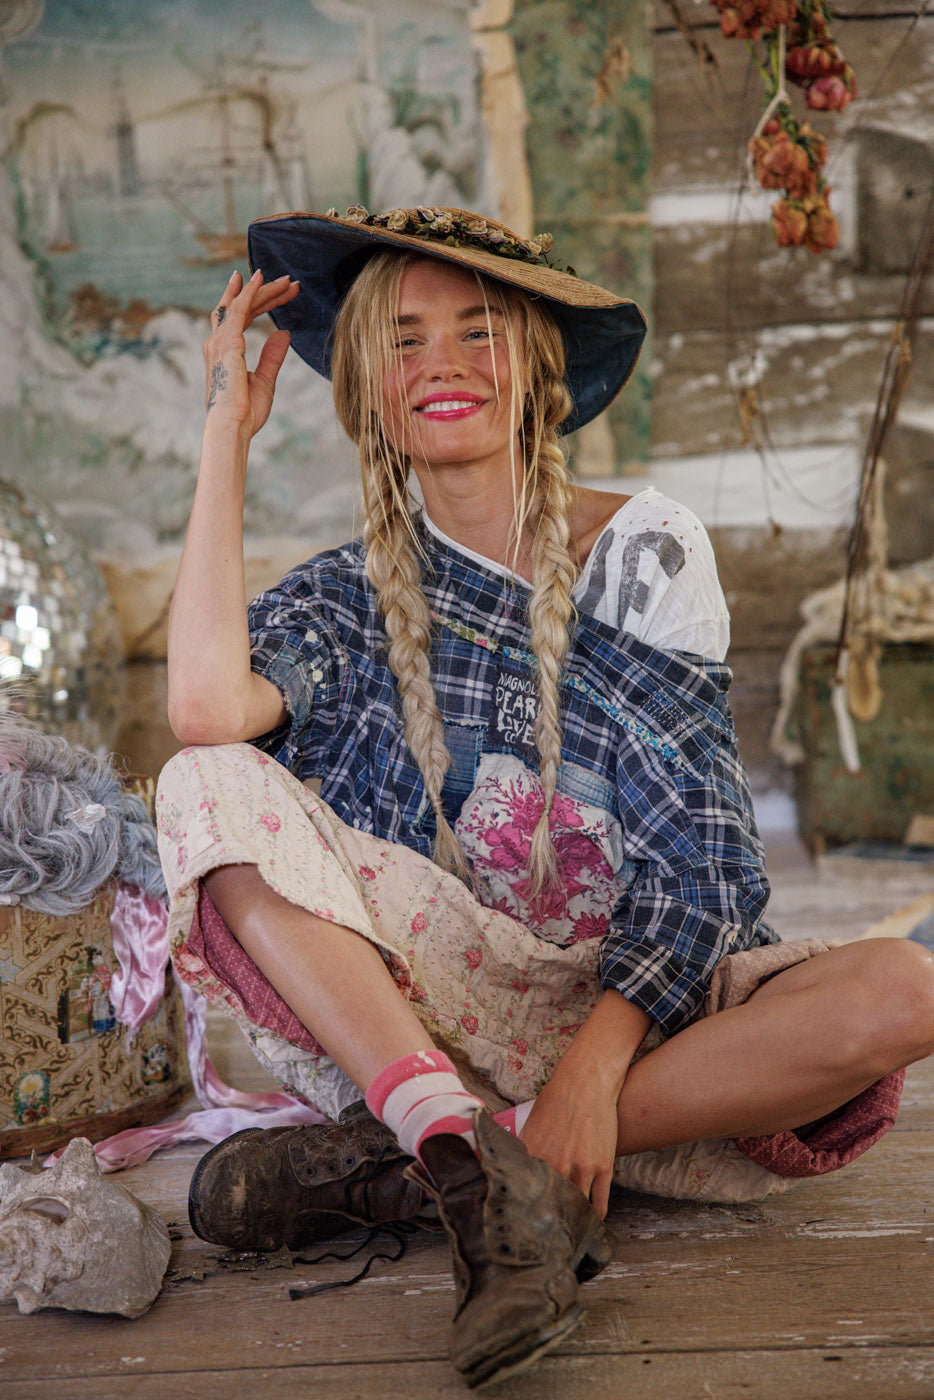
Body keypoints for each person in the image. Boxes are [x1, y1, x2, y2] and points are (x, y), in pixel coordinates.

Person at [157, 204, 934, 1388]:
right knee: (204, 776)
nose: (443, 364)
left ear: (539, 370)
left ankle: (440, 1168)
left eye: (478, 330)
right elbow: (206, 710)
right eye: (403, 340)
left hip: (645, 1029)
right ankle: (455, 1142)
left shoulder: (643, 550)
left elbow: (704, 863)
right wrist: (227, 434)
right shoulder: (345, 595)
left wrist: (588, 1076)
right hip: (432, 1018)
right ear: (365, 387)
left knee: (903, 988)